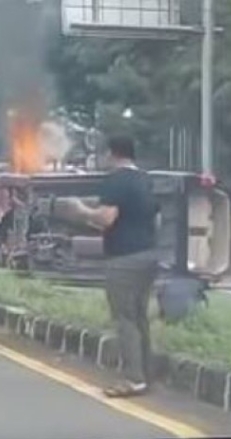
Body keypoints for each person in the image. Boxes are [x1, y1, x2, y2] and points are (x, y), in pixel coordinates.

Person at [70, 135, 159, 398]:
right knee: (140, 317)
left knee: (125, 319)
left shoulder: (115, 181)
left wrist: (82, 210)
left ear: (112, 154)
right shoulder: (145, 179)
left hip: (124, 258)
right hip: (148, 253)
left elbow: (106, 218)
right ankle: (145, 373)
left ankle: (133, 379)